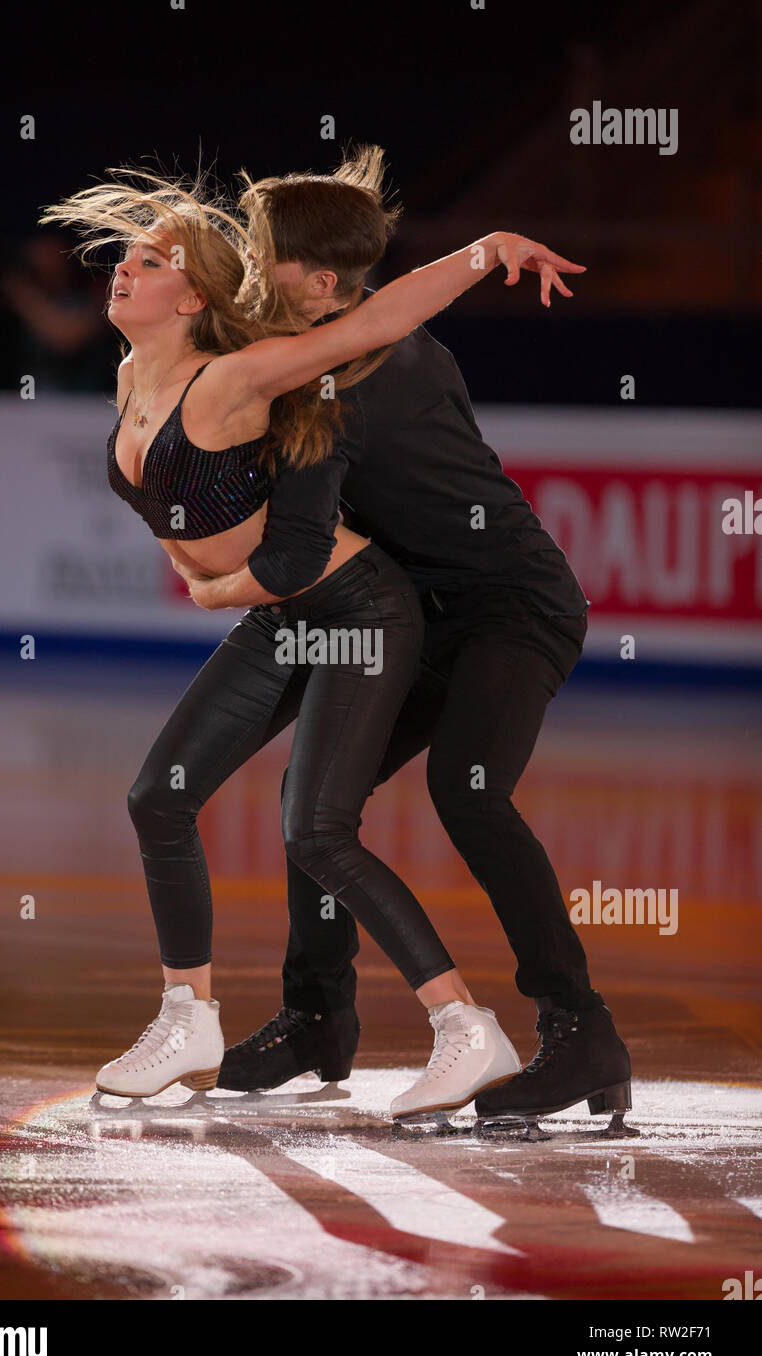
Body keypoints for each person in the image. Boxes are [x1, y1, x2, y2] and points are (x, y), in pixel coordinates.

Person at [41, 166, 583, 1119]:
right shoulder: (132, 377)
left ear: (193, 295)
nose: (122, 270)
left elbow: (374, 324)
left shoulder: (239, 377)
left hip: (360, 611)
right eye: (122, 256)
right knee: (157, 797)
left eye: (150, 259)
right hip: (285, 617)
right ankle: (190, 1014)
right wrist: (205, 573)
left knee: (318, 827)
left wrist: (486, 250)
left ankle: (467, 1027)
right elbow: (171, 504)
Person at [181, 149, 632, 1127]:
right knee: (319, 800)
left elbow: (298, 542)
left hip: (511, 605)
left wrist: (214, 573)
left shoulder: (353, 379)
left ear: (324, 284)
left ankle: (576, 1025)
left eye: (266, 260)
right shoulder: (328, 350)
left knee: (465, 790)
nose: (253, 276)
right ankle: (315, 1014)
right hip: (420, 613)